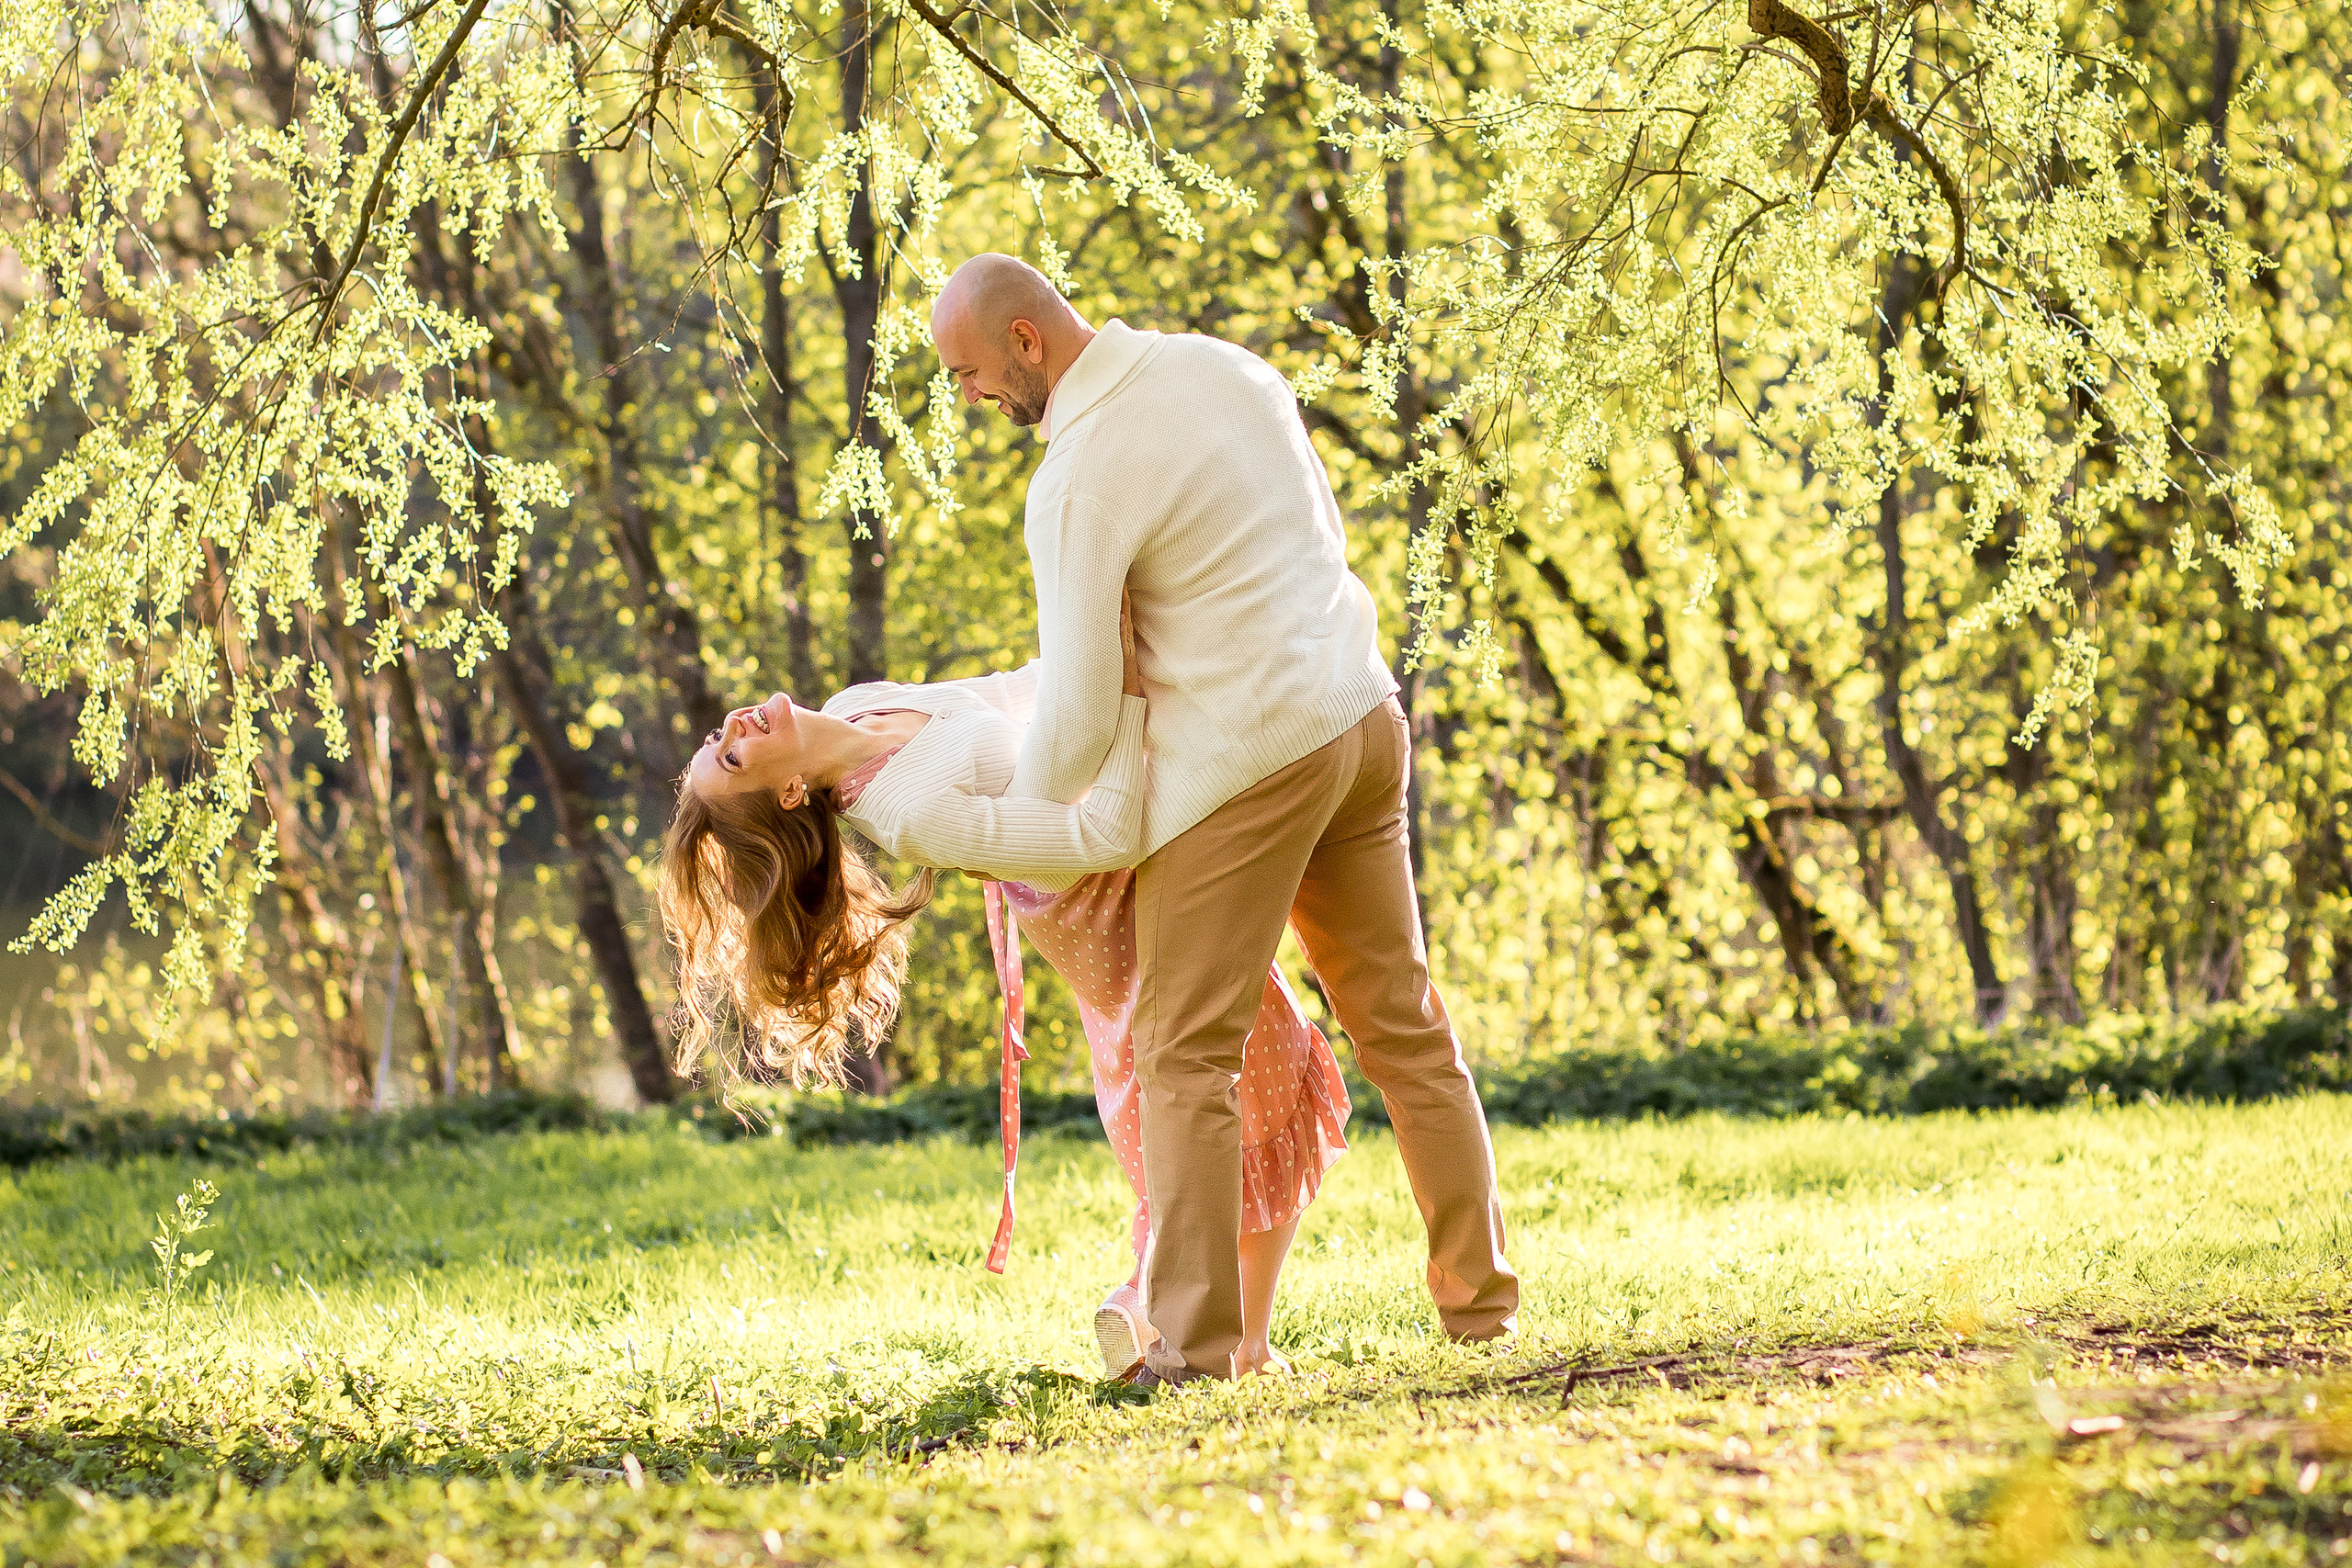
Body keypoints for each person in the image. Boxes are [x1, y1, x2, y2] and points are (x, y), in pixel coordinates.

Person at [929, 254, 1519, 1385]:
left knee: (1180, 1053)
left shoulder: (1077, 479)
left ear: (1027, 342)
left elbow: (1081, 714)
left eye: (971, 375)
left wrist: (1004, 797)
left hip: (1249, 766)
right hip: (1359, 714)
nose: (973, 400)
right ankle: (1478, 1307)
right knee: (1400, 1019)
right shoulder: (1225, 369)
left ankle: (1194, 1352)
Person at [657, 601, 1347, 1380]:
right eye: (735, 758)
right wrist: (1124, 705)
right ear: (787, 796)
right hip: (1093, 891)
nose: (734, 728)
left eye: (720, 740)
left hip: (1116, 858)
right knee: (1236, 1067)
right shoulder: (905, 808)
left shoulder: (859, 707)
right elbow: (1095, 841)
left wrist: (1117, 650)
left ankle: (1225, 1332)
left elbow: (1010, 695)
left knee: (1247, 1057)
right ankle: (1157, 1301)